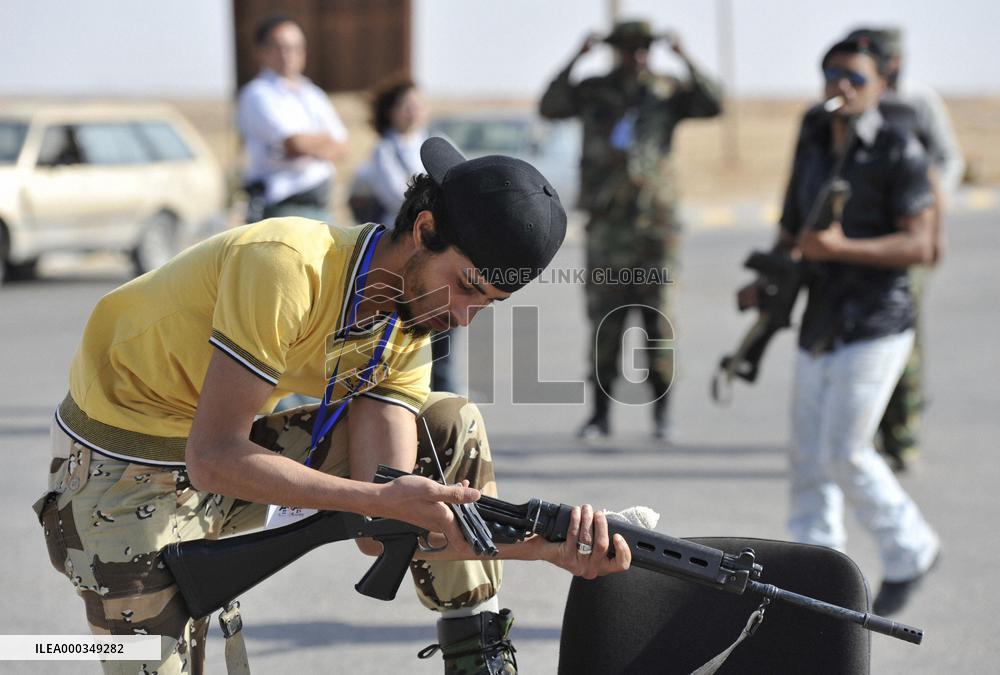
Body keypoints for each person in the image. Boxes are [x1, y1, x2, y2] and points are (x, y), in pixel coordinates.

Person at [32, 137, 631, 675]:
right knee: (125, 656)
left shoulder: (409, 330)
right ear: (425, 230)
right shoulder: (286, 264)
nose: (464, 317)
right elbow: (215, 456)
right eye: (469, 286)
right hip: (119, 469)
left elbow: (383, 528)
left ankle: (477, 658)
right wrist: (374, 498)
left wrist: (547, 548)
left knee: (448, 427)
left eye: (489, 304)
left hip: (218, 451)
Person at [739, 37, 940, 616]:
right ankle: (815, 586)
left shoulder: (898, 147)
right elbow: (792, 225)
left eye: (854, 76)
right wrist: (767, 282)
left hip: (876, 321)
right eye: (831, 74)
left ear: (881, 84)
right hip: (820, 317)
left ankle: (912, 549)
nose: (841, 86)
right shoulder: (812, 140)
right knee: (807, 457)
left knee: (846, 453)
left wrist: (842, 247)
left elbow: (921, 243)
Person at [539, 19, 722, 442]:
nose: (637, 56)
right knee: (607, 324)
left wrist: (685, 57)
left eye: (643, 49)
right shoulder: (593, 90)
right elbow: (550, 105)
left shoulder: (666, 90)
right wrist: (576, 57)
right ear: (615, 50)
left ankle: (662, 416)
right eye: (628, 48)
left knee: (659, 324)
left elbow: (713, 103)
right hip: (609, 227)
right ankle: (600, 416)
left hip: (657, 229)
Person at [846, 27, 966, 472]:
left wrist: (932, 211)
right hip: (861, 240)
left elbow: (949, 160)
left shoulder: (918, 102)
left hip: (908, 234)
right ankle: (872, 430)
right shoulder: (857, 100)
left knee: (904, 335)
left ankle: (904, 434)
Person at [355, 78, 459, 393]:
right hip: (407, 251)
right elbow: (396, 196)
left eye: (418, 103)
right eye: (406, 105)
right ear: (391, 112)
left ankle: (443, 399)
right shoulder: (385, 150)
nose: (413, 111)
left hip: (443, 250)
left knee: (444, 332)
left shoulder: (439, 146)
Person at [237, 14, 349, 223]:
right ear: (261, 52)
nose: (288, 55)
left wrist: (311, 143)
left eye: (296, 48)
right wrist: (324, 139)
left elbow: (342, 145)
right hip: (281, 208)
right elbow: (294, 143)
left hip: (320, 205)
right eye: (279, 47)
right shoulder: (257, 94)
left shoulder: (313, 94)